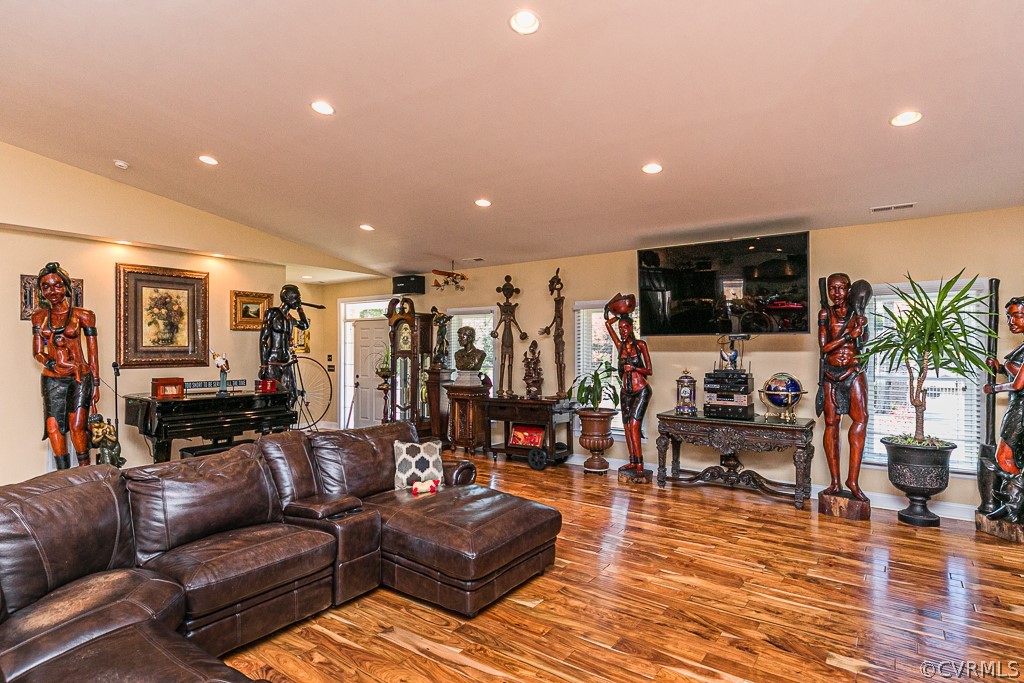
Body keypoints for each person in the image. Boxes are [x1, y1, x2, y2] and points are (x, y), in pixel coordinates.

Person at [31, 262, 99, 469]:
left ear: (67, 287)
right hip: (52, 378)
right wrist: (51, 362)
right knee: (53, 428)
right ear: (41, 291)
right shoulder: (39, 317)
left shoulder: (84, 315)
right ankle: (63, 477)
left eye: (57, 285)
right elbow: (37, 352)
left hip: (80, 376)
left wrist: (95, 383)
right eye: (46, 286)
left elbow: (93, 353)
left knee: (77, 426)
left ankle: (84, 473)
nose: (52, 291)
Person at [816, 273, 870, 501]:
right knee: (831, 424)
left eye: (841, 288)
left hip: (854, 372)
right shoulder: (824, 313)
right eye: (831, 288)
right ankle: (835, 481)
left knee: (860, 420)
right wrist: (849, 334)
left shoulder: (857, 313)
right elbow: (825, 347)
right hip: (830, 374)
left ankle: (853, 481)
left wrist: (861, 327)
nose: (836, 293)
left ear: (849, 290)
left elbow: (864, 342)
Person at [604, 294, 652, 474]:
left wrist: (635, 368)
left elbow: (649, 370)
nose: (622, 330)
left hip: (641, 390)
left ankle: (640, 464)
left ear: (631, 327)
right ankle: (632, 461)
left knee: (634, 426)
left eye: (625, 327)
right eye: (621, 328)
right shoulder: (620, 346)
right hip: (626, 392)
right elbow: (608, 325)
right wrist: (619, 316)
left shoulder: (640, 345)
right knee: (626, 427)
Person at [985, 297, 1024, 476]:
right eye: (1009, 317)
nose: (1011, 322)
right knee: (1014, 457)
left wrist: (993, 389)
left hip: (1020, 409)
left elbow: (1018, 384)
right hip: (1016, 407)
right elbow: (1017, 374)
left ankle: (1016, 500)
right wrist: (999, 367)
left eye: (1017, 316)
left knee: (1005, 457)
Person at [259, 284, 309, 401]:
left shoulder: (290, 319)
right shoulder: (272, 313)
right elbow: (263, 340)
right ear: (287, 297)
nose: (298, 300)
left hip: (286, 361)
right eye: (296, 297)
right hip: (272, 362)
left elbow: (305, 325)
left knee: (293, 396)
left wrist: (300, 309)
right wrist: (263, 365)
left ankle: (288, 419)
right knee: (272, 398)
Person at [490, 275, 528, 398]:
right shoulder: (503, 310)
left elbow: (516, 323)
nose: (507, 293)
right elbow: (499, 323)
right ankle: (500, 388)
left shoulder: (511, 309)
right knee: (502, 363)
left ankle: (510, 389)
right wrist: (494, 331)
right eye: (505, 291)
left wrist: (522, 333)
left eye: (509, 291)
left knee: (510, 363)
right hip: (505, 339)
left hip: (510, 339)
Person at [538, 269, 567, 398]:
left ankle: (562, 390)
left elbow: (559, 318)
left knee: (560, 363)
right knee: (557, 362)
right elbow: (556, 319)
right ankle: (560, 390)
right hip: (556, 337)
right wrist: (548, 328)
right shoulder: (557, 305)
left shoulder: (559, 303)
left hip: (559, 339)